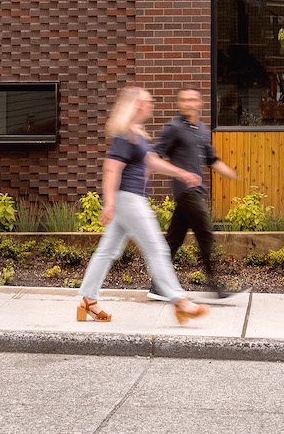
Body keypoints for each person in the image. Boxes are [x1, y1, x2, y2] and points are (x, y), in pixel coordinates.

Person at [76, 85, 209, 324]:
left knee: (107, 251)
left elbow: (152, 162)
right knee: (156, 248)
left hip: (128, 199)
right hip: (128, 199)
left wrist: (182, 173)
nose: (151, 105)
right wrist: (109, 203)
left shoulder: (135, 134)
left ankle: (87, 300)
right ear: (137, 105)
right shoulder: (124, 135)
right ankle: (180, 302)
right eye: (148, 101)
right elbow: (111, 169)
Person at [154, 88, 237, 299]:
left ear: (199, 102)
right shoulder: (172, 128)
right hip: (185, 191)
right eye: (185, 100)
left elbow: (211, 159)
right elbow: (155, 155)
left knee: (174, 240)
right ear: (180, 104)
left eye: (193, 99)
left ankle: (157, 287)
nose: (189, 103)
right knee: (205, 235)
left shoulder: (202, 129)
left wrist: (230, 172)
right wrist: (177, 172)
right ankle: (215, 286)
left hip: (196, 191)